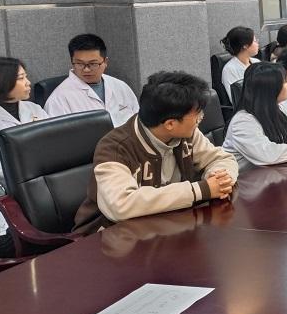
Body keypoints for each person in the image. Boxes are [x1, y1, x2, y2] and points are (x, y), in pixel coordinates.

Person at [73, 71, 239, 234]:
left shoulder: (186, 134)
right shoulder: (115, 148)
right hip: (110, 237)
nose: (200, 119)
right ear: (170, 124)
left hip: (167, 228)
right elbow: (121, 205)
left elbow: (222, 158)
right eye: (197, 115)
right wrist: (200, 190)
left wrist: (220, 178)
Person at [223, 63, 287, 168]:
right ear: (270, 89)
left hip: (271, 172)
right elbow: (268, 154)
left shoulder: (277, 109)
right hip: (244, 176)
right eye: (283, 82)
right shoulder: (243, 122)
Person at [44, 33, 139, 127]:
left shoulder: (121, 87)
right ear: (72, 62)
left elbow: (139, 122)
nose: (86, 70)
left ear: (105, 62)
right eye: (80, 64)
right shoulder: (58, 100)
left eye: (93, 64)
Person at [0, 57, 48, 178]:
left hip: (47, 173)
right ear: (2, 82)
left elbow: (54, 143)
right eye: (21, 78)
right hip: (10, 182)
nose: (28, 82)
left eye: (26, 77)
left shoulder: (34, 108)